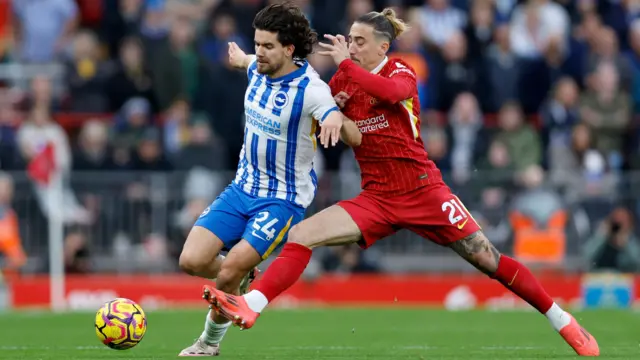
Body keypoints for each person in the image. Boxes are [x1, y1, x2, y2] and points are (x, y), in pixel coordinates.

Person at [203, 8, 600, 357]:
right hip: (376, 197)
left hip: (423, 190)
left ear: (382, 47)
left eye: (359, 42)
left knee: (487, 258)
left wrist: (346, 70)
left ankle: (562, 320)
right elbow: (313, 95)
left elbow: (390, 94)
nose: (351, 47)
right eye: (350, 40)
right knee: (302, 234)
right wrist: (333, 115)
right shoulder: (344, 84)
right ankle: (252, 304)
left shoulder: (400, 72)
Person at [177, 3, 344, 356]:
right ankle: (242, 275)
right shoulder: (257, 67)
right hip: (241, 189)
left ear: (289, 49)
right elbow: (246, 62)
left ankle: (208, 344)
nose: (259, 53)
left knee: (228, 272)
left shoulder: (311, 90)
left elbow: (329, 109)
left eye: (267, 46)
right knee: (190, 261)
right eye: (257, 43)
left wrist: (332, 119)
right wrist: (240, 56)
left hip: (281, 200)